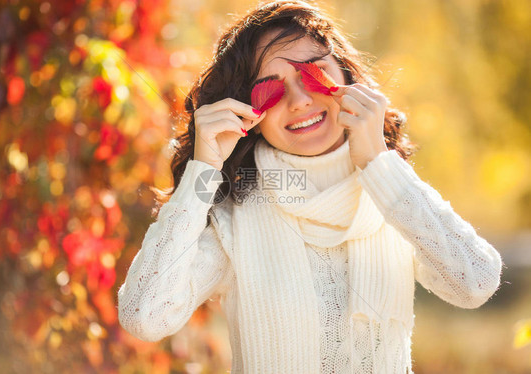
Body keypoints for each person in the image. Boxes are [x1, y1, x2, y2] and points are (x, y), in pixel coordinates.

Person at [117, 1, 504, 373]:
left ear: (348, 78)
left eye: (312, 73)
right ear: (247, 114)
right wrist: (203, 171)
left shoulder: (394, 197)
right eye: (270, 88)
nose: (300, 101)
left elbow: (475, 282)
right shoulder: (236, 215)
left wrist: (377, 162)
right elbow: (145, 316)